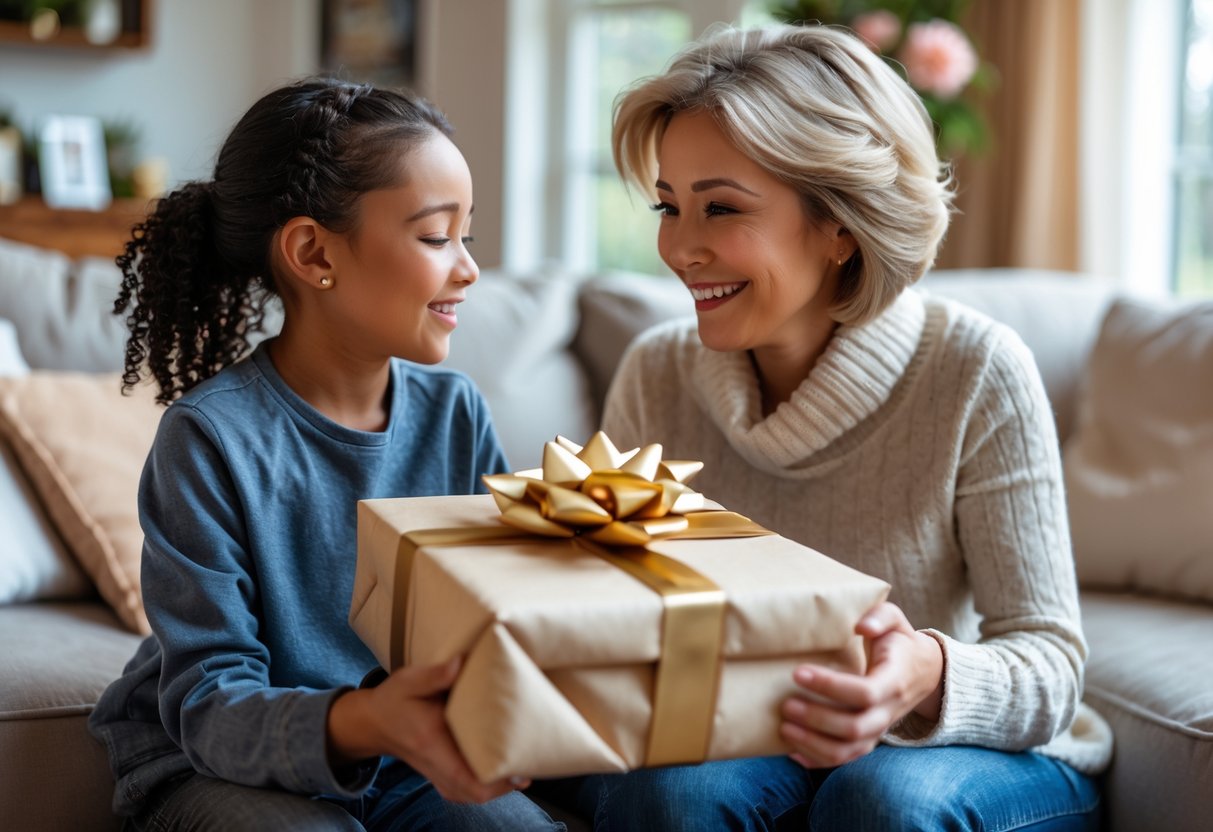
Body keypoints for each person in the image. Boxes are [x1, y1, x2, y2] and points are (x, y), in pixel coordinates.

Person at [548, 23, 1112, 831]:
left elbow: (1051, 667)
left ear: (841, 223)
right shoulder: (656, 372)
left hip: (942, 751)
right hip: (740, 738)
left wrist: (924, 672)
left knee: (879, 801)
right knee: (671, 796)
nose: (679, 246)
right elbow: (614, 625)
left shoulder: (976, 369)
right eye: (668, 207)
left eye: (720, 208)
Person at [89, 78, 565, 832]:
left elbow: (488, 613)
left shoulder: (454, 413)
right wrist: (370, 720)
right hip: (210, 761)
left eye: (465, 236)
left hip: (397, 757)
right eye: (438, 236)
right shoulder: (210, 437)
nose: (469, 268)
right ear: (313, 252)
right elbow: (210, 707)